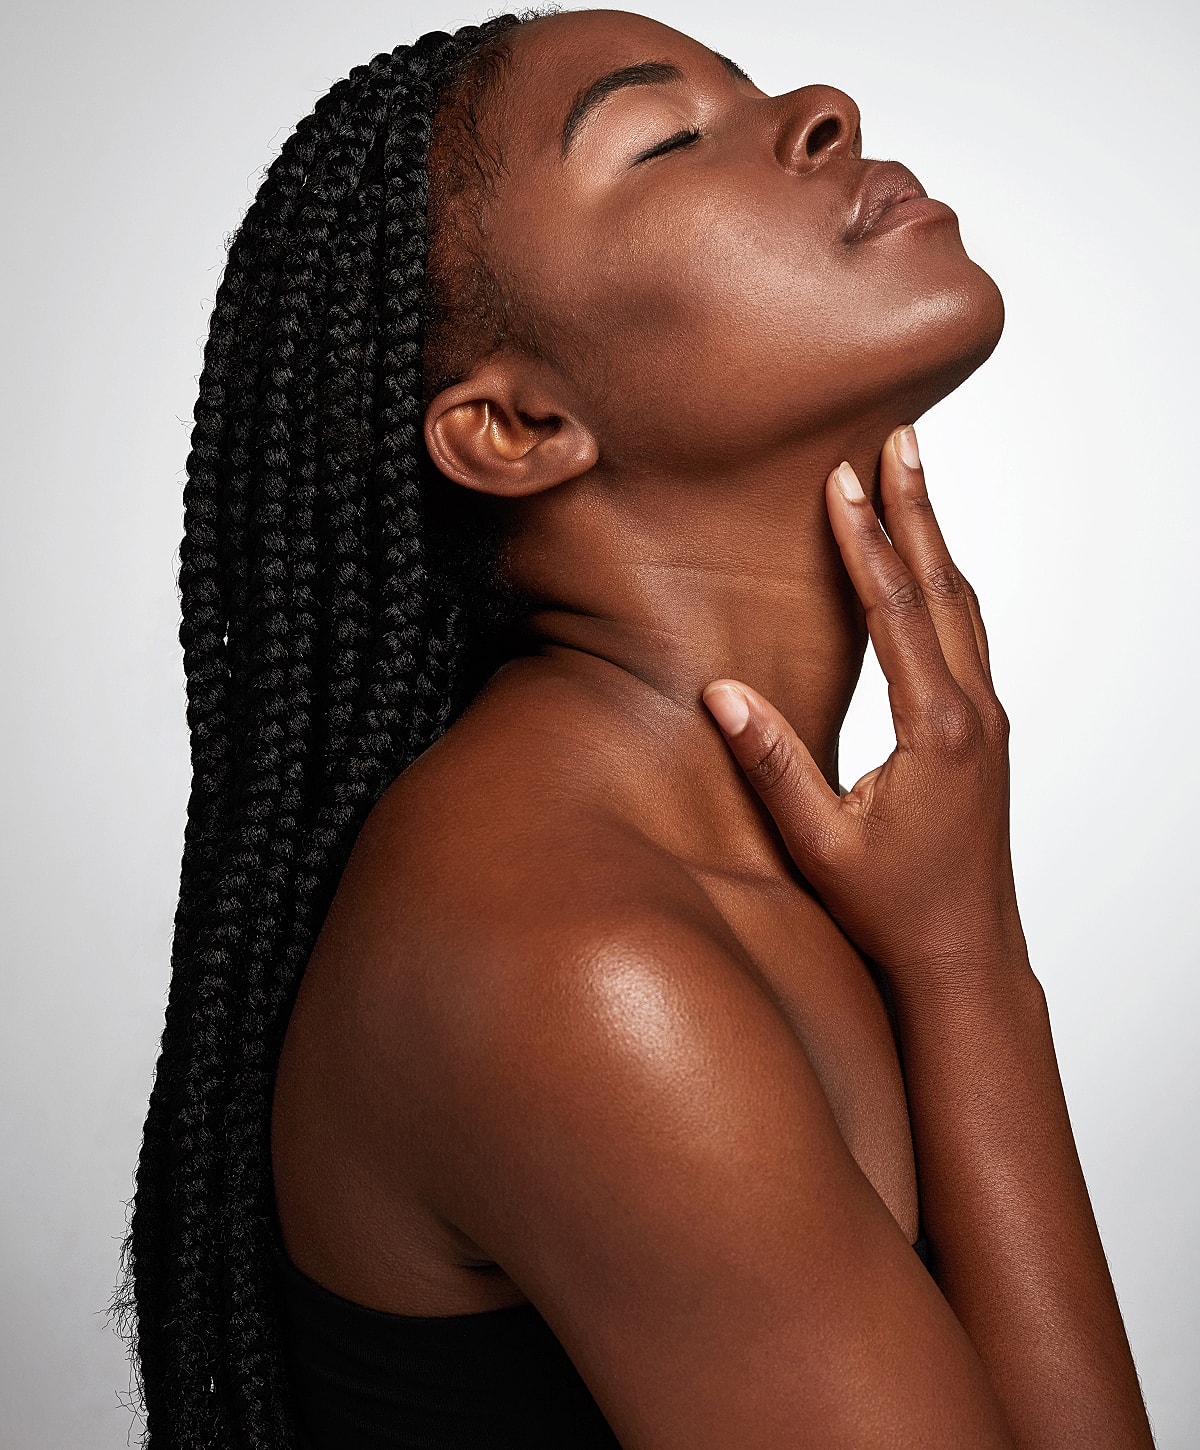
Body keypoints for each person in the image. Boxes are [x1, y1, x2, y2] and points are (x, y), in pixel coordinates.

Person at [119, 7, 1157, 1448]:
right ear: (518, 428)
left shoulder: (731, 871)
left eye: (749, 88)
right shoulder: (574, 956)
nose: (822, 107)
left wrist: (965, 953)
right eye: (663, 137)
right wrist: (965, 963)